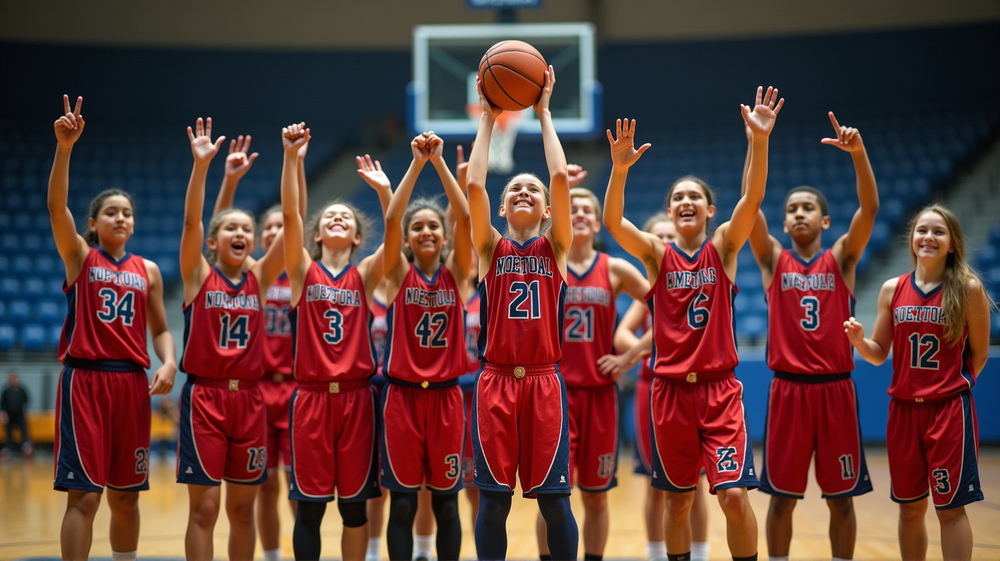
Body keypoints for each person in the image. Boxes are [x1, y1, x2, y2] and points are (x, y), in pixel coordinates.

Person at [602, 86, 783, 561]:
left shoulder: (723, 247)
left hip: (720, 392)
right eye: (677, 197)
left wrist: (758, 142)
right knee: (678, 501)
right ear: (669, 210)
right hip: (671, 393)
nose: (685, 202)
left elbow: (754, 196)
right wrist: (619, 170)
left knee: (735, 496)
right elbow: (614, 222)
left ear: (709, 209)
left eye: (694, 197)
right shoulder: (658, 255)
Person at [48, 95, 178, 561]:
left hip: (131, 384)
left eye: (126, 212)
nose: (120, 217)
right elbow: (55, 206)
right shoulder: (80, 257)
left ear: (134, 223)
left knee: (126, 497)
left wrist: (169, 360)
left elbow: (161, 329)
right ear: (93, 223)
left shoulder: (150, 271)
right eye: (110, 212)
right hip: (86, 380)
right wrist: (65, 148)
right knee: (85, 497)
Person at [748, 112, 878, 561]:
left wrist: (858, 155)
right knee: (781, 498)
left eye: (808, 208)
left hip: (836, 391)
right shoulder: (772, 261)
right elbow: (749, 204)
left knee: (841, 499)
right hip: (788, 392)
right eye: (791, 209)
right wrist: (756, 142)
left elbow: (870, 210)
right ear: (783, 224)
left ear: (825, 222)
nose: (798, 212)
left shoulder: (842, 258)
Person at [466, 67, 579, 560]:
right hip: (495, 383)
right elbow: (474, 187)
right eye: (514, 190)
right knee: (493, 503)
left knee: (554, 505)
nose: (523, 193)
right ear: (504, 207)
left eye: (531, 191)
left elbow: (557, 175)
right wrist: (489, 120)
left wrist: (544, 113)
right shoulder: (489, 249)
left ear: (549, 209)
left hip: (543, 382)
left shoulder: (556, 248)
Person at [844, 205, 991, 561]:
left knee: (950, 509)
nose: (928, 237)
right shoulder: (892, 289)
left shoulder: (969, 289)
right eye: (922, 230)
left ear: (953, 244)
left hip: (948, 412)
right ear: (911, 239)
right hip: (904, 413)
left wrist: (952, 387)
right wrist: (861, 342)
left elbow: (980, 354)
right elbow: (880, 352)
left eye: (939, 232)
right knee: (910, 509)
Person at [280, 124, 392, 560]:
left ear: (358, 238)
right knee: (309, 510)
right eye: (329, 218)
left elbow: (395, 236)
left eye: (345, 217)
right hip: (311, 400)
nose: (338, 219)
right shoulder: (302, 272)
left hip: (356, 400)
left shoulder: (364, 276)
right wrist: (293, 159)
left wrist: (384, 194)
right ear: (318, 236)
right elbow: (291, 215)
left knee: (354, 509)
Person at [177, 117, 286, 561]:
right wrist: (205, 169)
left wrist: (292, 158)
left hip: (251, 402)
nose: (240, 233)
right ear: (213, 242)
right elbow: (192, 222)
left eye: (247, 229)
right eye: (230, 229)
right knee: (205, 509)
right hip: (206, 398)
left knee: (243, 512)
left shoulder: (261, 275)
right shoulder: (198, 275)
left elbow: (293, 222)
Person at [535, 186, 650, 561]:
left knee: (596, 496)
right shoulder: (546, 262)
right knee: (550, 498)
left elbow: (669, 307)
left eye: (588, 210)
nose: (580, 214)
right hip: (555, 395)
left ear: (599, 222)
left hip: (600, 396)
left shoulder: (614, 268)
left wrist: (630, 355)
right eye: (574, 209)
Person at [211, 133, 306, 561]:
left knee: (299, 488)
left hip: (296, 390)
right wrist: (228, 183)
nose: (272, 231)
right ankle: (268, 556)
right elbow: (217, 234)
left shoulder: (304, 274)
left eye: (276, 227)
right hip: (255, 390)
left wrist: (296, 164)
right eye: (264, 228)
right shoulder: (249, 272)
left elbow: (296, 214)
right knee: (264, 487)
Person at [379, 131, 474, 561]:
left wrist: (440, 165)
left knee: (446, 504)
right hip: (401, 399)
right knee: (401, 504)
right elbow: (391, 219)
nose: (426, 231)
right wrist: (417, 164)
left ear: (443, 235)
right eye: (418, 227)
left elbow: (466, 219)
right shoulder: (398, 275)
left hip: (447, 399)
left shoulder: (457, 274)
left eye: (433, 225)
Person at [609, 213, 712, 561]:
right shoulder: (649, 292)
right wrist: (643, 349)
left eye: (671, 234)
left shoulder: (699, 281)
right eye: (659, 236)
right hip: (652, 389)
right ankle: (656, 554)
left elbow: (675, 330)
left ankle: (699, 553)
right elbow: (621, 334)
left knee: (695, 484)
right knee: (655, 485)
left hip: (693, 388)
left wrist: (638, 349)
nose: (667, 240)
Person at [1, 372, 31, 458]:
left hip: (20, 415)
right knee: (8, 433)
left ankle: (26, 447)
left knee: (24, 431)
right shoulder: (6, 391)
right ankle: (8, 449)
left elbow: (26, 400)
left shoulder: (22, 390)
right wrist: (4, 414)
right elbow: (2, 404)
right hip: (9, 416)